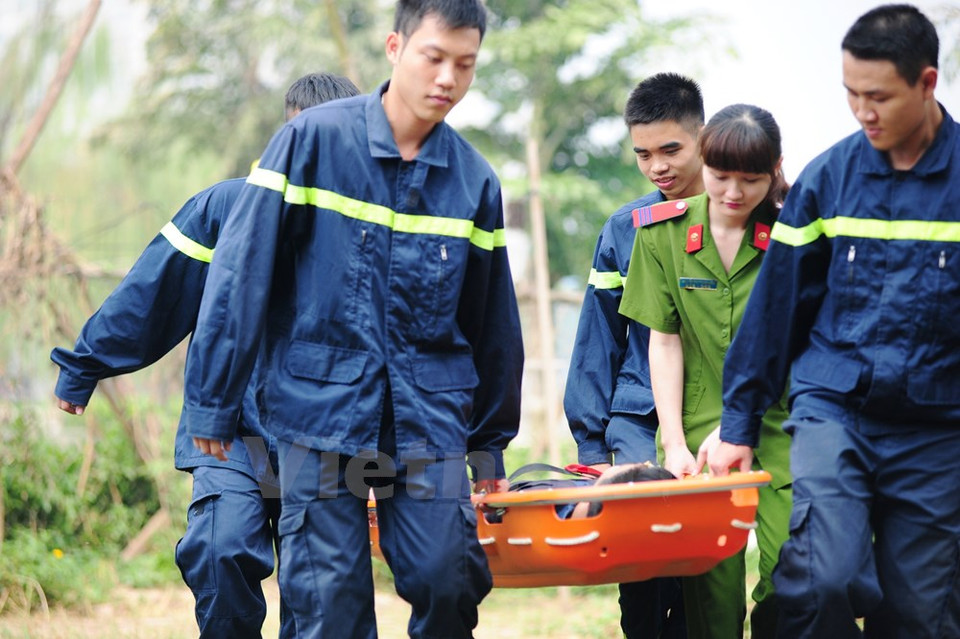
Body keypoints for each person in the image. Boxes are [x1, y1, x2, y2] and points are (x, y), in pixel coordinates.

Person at [182, 1, 524, 637]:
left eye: (465, 64)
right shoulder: (312, 142)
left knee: (449, 577)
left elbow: (493, 321)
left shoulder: (474, 181)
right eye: (434, 57)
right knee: (327, 601)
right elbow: (240, 273)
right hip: (319, 411)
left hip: (426, 420)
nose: (448, 77)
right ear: (395, 48)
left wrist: (489, 441)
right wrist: (213, 400)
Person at [50, 71, 361, 639]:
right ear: (283, 135)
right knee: (220, 550)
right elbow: (153, 293)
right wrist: (84, 365)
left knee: (320, 592)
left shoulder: (368, 228)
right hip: (230, 429)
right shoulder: (226, 207)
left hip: (325, 435)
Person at [704, 5, 960, 637]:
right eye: (850, 95)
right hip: (835, 408)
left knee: (923, 613)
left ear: (927, 84)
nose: (862, 112)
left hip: (937, 426)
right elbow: (776, 310)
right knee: (826, 579)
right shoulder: (829, 179)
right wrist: (738, 423)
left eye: (878, 97)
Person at [620, 103, 793, 639]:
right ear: (705, 162)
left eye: (751, 179)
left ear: (775, 170)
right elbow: (663, 341)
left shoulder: (794, 234)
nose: (734, 194)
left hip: (786, 424)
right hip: (697, 427)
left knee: (792, 574)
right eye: (721, 177)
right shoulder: (660, 234)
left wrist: (742, 421)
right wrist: (672, 442)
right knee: (708, 592)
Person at [563, 71, 704, 639]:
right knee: (643, 572)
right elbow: (597, 341)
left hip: (713, 412)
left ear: (702, 135)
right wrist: (591, 444)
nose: (658, 167)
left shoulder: (744, 218)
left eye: (671, 149)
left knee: (700, 569)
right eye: (643, 154)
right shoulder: (625, 228)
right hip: (638, 418)